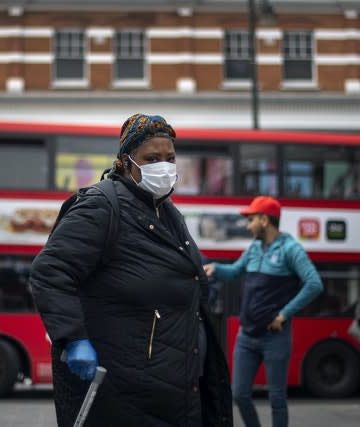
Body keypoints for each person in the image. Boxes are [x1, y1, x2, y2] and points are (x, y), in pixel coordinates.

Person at [29, 113, 233, 427]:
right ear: (126, 162)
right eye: (151, 158)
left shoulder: (167, 212)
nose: (163, 167)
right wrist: (73, 337)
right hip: (127, 394)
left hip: (174, 389)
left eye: (170, 158)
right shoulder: (101, 206)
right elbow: (50, 271)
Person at [203, 195, 323, 427]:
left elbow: (314, 283)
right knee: (239, 394)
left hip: (274, 336)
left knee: (277, 398)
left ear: (265, 220)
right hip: (247, 336)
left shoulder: (291, 249)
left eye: (251, 219)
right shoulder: (254, 248)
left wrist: (284, 314)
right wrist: (215, 268)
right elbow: (235, 272)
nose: (248, 225)